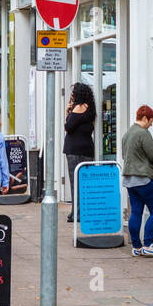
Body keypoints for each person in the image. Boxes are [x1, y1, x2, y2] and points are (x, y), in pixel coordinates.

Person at [121, 106, 153, 257]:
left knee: (136, 212)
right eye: (151, 121)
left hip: (130, 180)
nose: (151, 124)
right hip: (144, 179)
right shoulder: (143, 133)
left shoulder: (127, 133)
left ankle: (136, 247)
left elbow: (125, 156)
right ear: (145, 118)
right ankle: (148, 244)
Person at [63, 82, 97, 223]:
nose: (71, 95)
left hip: (74, 150)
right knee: (85, 182)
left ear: (78, 94)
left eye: (73, 93)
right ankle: (83, 211)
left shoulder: (77, 107)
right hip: (87, 148)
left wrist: (68, 111)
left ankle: (76, 213)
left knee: (75, 182)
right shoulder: (91, 109)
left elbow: (68, 126)